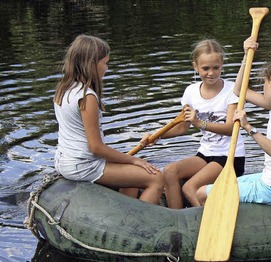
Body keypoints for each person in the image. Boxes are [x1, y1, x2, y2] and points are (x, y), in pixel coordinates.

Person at [53, 34, 165, 204]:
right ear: (91, 64)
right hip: (83, 166)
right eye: (105, 63)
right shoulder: (87, 97)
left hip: (64, 161)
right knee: (156, 178)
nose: (106, 68)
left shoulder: (64, 89)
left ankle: (126, 210)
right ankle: (136, 223)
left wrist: (128, 162)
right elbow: (96, 147)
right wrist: (135, 159)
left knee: (133, 173)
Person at [196, 38, 271, 205]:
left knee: (202, 194)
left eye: (264, 81)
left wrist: (248, 127)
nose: (263, 85)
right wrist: (246, 57)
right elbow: (238, 90)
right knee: (217, 186)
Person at [140, 39, 246, 209]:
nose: (211, 73)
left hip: (230, 157)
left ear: (222, 65)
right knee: (170, 171)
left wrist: (200, 123)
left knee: (191, 187)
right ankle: (176, 218)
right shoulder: (191, 92)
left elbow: (230, 129)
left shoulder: (232, 90)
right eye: (205, 68)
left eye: (215, 68)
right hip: (205, 154)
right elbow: (182, 126)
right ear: (196, 67)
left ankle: (207, 224)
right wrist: (156, 136)